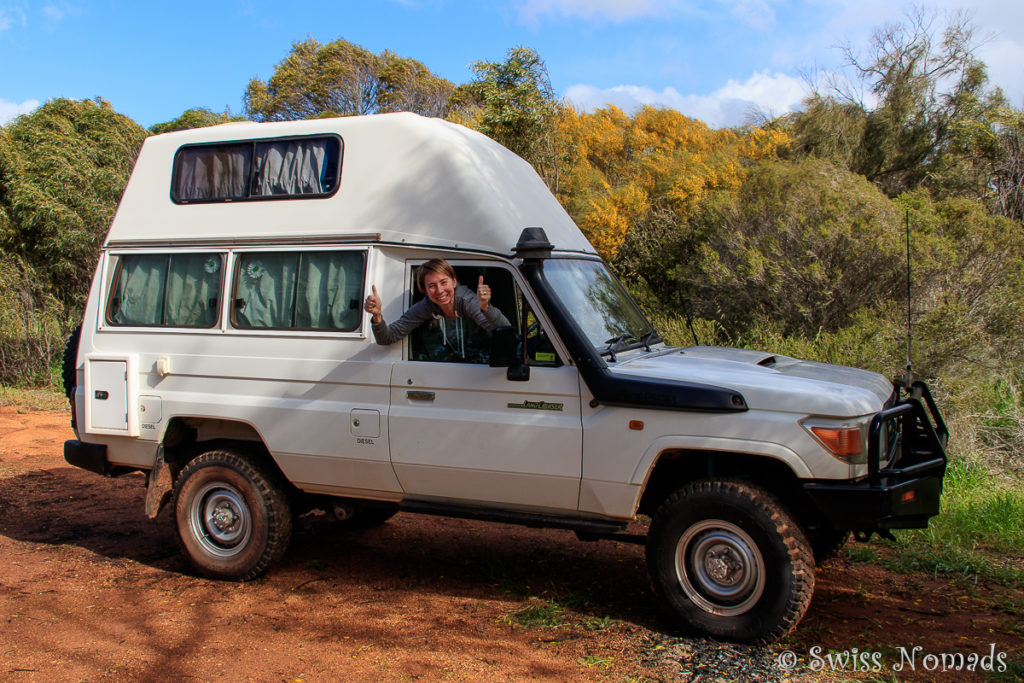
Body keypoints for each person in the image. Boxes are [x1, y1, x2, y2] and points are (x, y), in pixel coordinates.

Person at [364, 258, 510, 346]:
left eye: (443, 282)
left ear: (454, 281)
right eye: (432, 286)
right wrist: (377, 316)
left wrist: (485, 307)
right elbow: (387, 338)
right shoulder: (427, 305)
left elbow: (505, 330)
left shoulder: (466, 300)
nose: (439, 291)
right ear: (425, 290)